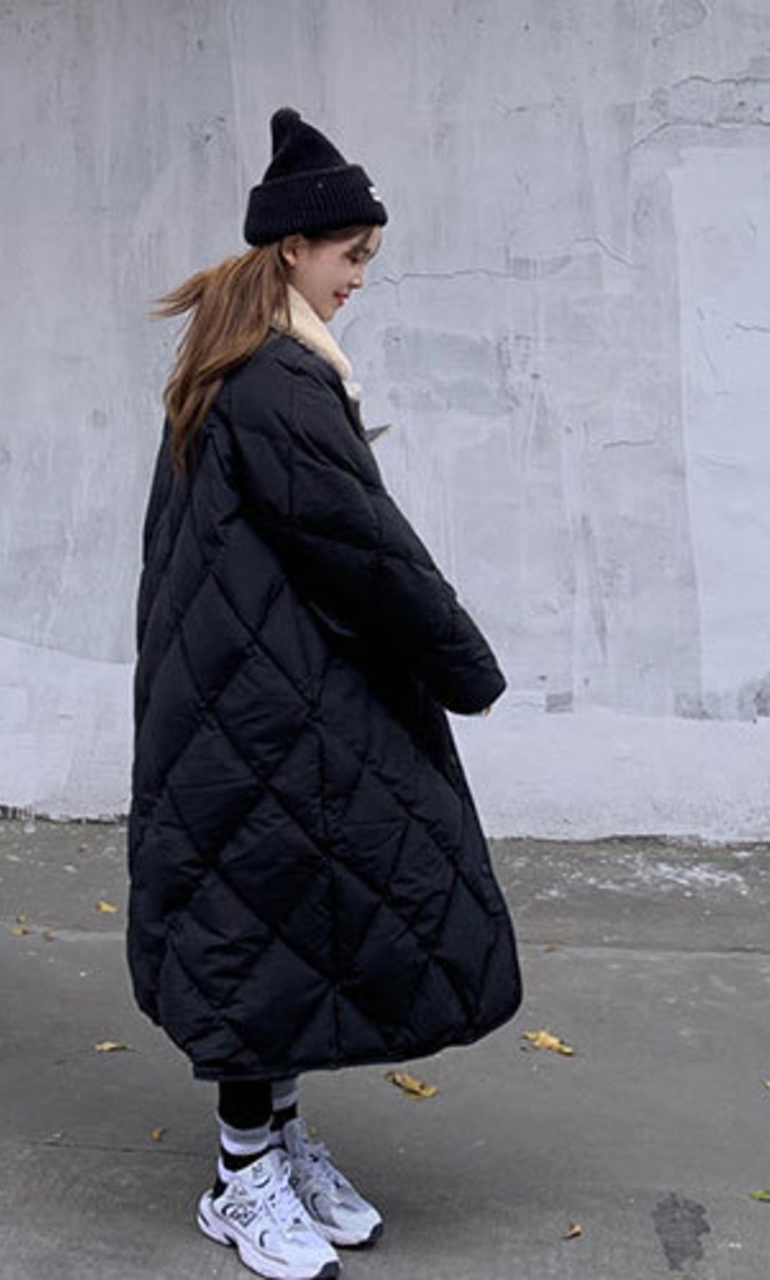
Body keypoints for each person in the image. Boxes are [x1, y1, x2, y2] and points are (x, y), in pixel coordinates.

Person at [126, 107, 521, 1280]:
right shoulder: (275, 381)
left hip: (259, 695)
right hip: (258, 706)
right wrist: (465, 665)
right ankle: (239, 1175)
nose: (358, 277)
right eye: (349, 253)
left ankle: (277, 1141)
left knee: (283, 926)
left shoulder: (242, 363)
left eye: (366, 256)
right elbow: (363, 547)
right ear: (291, 248)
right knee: (257, 925)